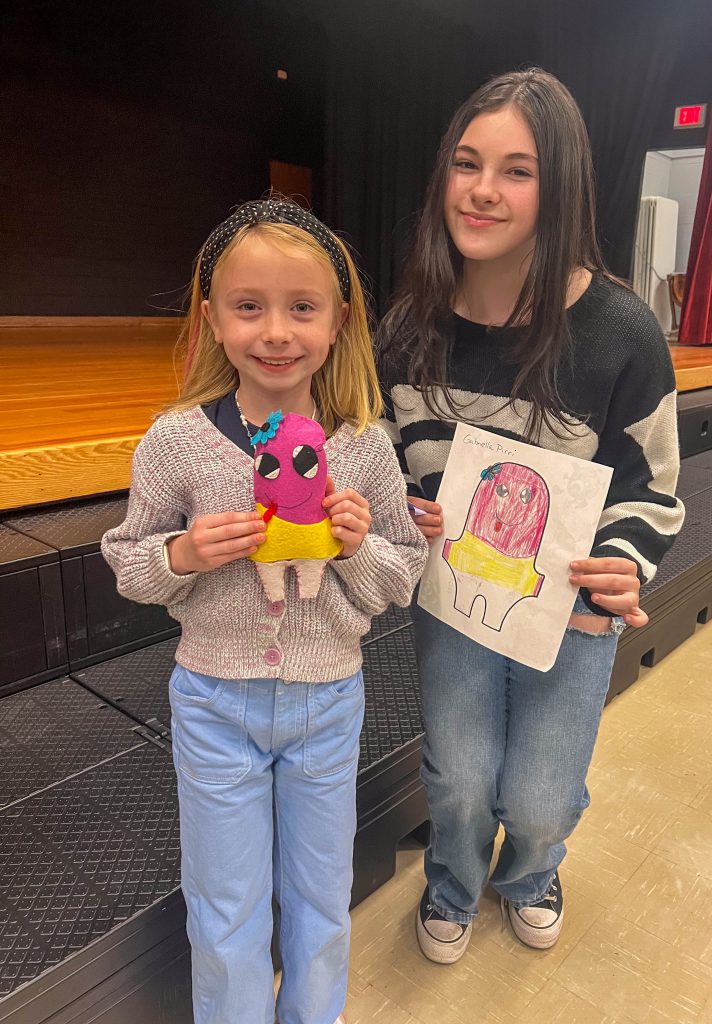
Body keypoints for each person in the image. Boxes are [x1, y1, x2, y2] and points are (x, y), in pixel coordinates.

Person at [377, 69, 685, 962]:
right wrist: (401, 509)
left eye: (517, 170)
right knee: (462, 780)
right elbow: (389, 465)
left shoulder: (621, 332)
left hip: (571, 618)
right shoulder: (407, 331)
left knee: (542, 798)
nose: (482, 189)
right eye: (467, 164)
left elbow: (654, 482)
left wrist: (624, 561)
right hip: (456, 608)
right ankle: (453, 883)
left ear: (561, 189)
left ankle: (531, 872)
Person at [102, 199, 427, 1024]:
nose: (275, 331)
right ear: (211, 319)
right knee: (225, 914)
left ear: (338, 320)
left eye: (302, 307)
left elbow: (405, 575)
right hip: (214, 706)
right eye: (248, 307)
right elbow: (128, 561)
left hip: (328, 705)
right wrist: (183, 555)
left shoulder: (363, 446)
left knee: (320, 905)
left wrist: (357, 546)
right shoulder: (175, 442)